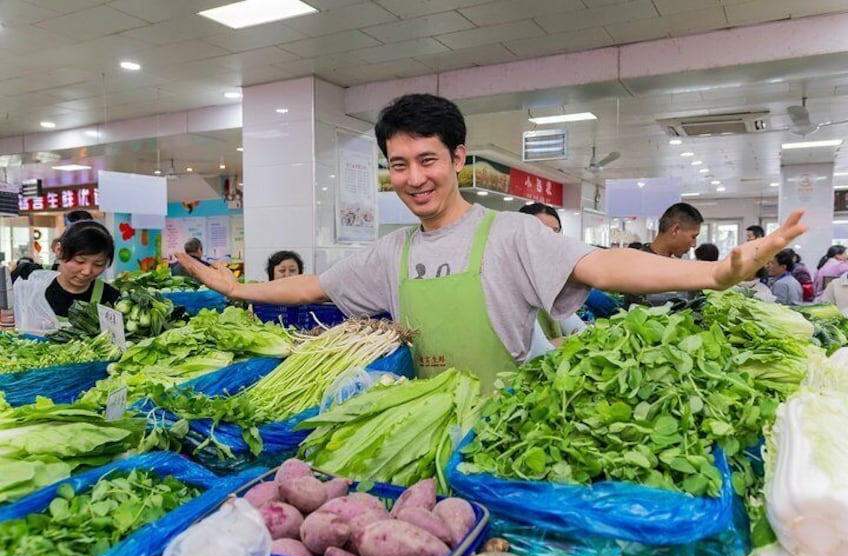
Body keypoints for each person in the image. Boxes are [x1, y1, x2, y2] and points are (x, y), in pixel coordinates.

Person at [176, 93, 806, 393]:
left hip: (503, 424)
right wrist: (238, 287)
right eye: (398, 165)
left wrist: (713, 274)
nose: (414, 178)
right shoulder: (391, 253)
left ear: (456, 157)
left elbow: (604, 265)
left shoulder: (512, 234)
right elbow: (314, 284)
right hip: (422, 420)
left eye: (428, 159)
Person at [14, 221, 119, 332]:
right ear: (59, 251)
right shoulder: (27, 276)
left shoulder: (109, 298)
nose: (87, 271)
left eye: (99, 264)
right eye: (80, 261)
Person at [517, 202, 586, 350]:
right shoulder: (511, 282)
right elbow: (540, 352)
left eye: (556, 231)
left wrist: (562, 341)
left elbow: (581, 332)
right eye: (542, 231)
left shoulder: (550, 281)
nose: (551, 239)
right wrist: (568, 340)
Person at [625, 202, 704, 306]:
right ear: (676, 230)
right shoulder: (638, 266)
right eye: (693, 237)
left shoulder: (677, 268)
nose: (694, 244)